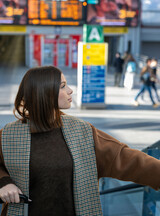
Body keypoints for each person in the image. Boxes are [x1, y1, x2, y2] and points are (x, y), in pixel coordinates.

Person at [1, 66, 160, 216]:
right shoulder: (8, 135)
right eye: (62, 86)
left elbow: (128, 160)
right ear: (44, 92)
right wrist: (4, 182)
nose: (70, 90)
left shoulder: (82, 131)